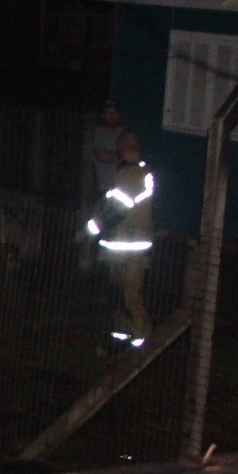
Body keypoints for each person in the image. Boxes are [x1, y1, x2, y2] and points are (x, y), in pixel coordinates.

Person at [85, 131, 155, 350]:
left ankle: (141, 341)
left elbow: (118, 208)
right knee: (121, 293)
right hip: (128, 244)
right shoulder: (139, 171)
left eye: (119, 146)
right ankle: (124, 337)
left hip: (129, 245)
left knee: (129, 293)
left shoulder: (129, 174)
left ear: (125, 146)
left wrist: (93, 227)